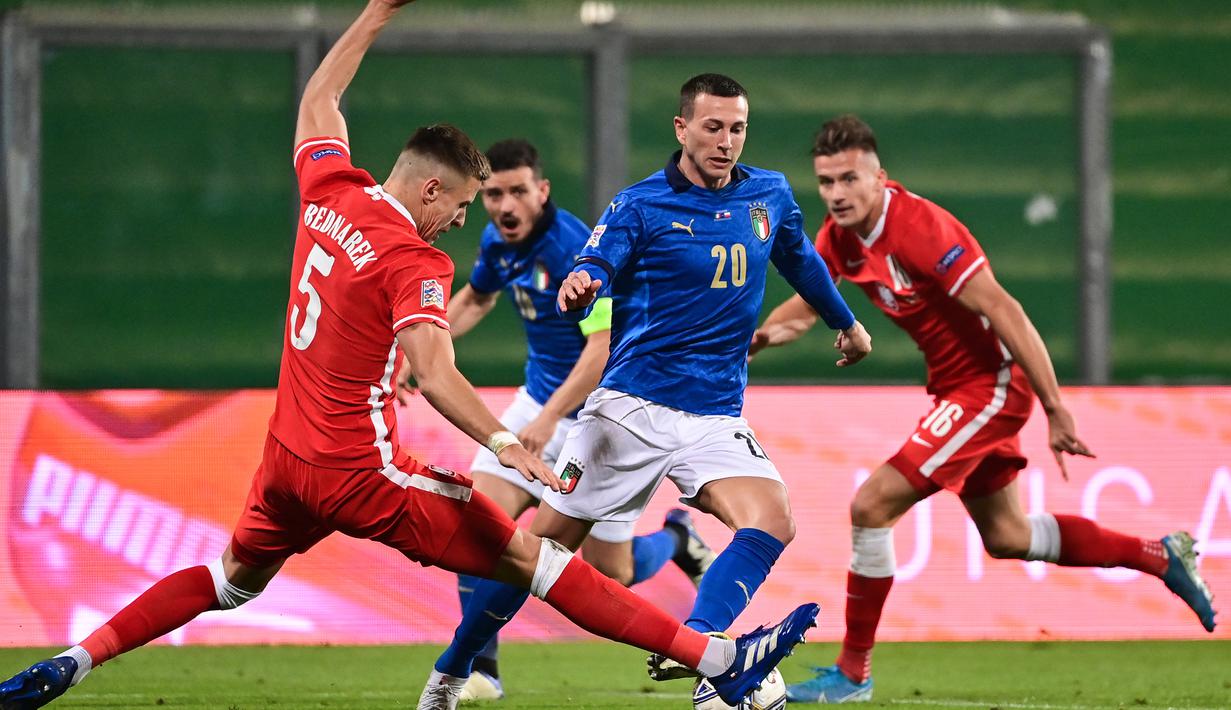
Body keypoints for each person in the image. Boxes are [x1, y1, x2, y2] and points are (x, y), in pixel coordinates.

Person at [0, 4, 819, 709]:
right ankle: (718, 661)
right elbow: (432, 371)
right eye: (464, 204)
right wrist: (509, 443)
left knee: (227, 582)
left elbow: (321, 96)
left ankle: (77, 659)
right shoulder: (415, 261)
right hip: (364, 475)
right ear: (432, 192)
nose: (467, 221)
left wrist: (377, 13)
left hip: (284, 461)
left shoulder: (331, 193)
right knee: (530, 556)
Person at [419, 73, 872, 704]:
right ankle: (453, 670)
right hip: (630, 411)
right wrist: (583, 281)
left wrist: (846, 323)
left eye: (737, 128)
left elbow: (799, 258)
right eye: (712, 127)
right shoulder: (641, 204)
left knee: (773, 518)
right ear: (682, 128)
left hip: (714, 414)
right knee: (536, 551)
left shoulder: (768, 195)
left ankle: (703, 649)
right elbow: (598, 258)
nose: (726, 141)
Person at [746, 115, 1218, 704]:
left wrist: (1056, 408)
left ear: (879, 176)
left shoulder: (923, 230)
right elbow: (810, 306)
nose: (837, 194)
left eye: (848, 179)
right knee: (1008, 535)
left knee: (871, 505)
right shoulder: (840, 238)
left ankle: (852, 674)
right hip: (955, 388)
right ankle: (1159, 554)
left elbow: (1007, 312)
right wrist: (760, 338)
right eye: (826, 182)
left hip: (991, 386)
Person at [397, 138, 717, 700]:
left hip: (596, 416)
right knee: (477, 524)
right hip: (537, 402)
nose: (504, 205)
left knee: (610, 572)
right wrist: (416, 351)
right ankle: (482, 672)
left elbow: (600, 349)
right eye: (493, 194)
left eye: (518, 191)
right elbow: (474, 299)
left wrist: (548, 421)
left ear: (541, 191)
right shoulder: (499, 241)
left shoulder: (575, 247)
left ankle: (677, 538)